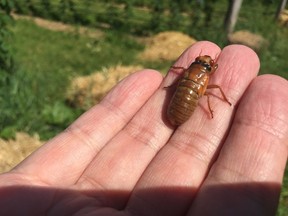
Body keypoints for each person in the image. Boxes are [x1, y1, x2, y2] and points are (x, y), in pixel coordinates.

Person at [0, 41, 287, 216]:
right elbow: (215, 88)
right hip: (186, 103)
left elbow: (185, 79)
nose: (204, 64)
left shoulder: (187, 75)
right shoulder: (206, 80)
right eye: (202, 64)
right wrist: (213, 104)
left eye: (205, 65)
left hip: (182, 101)